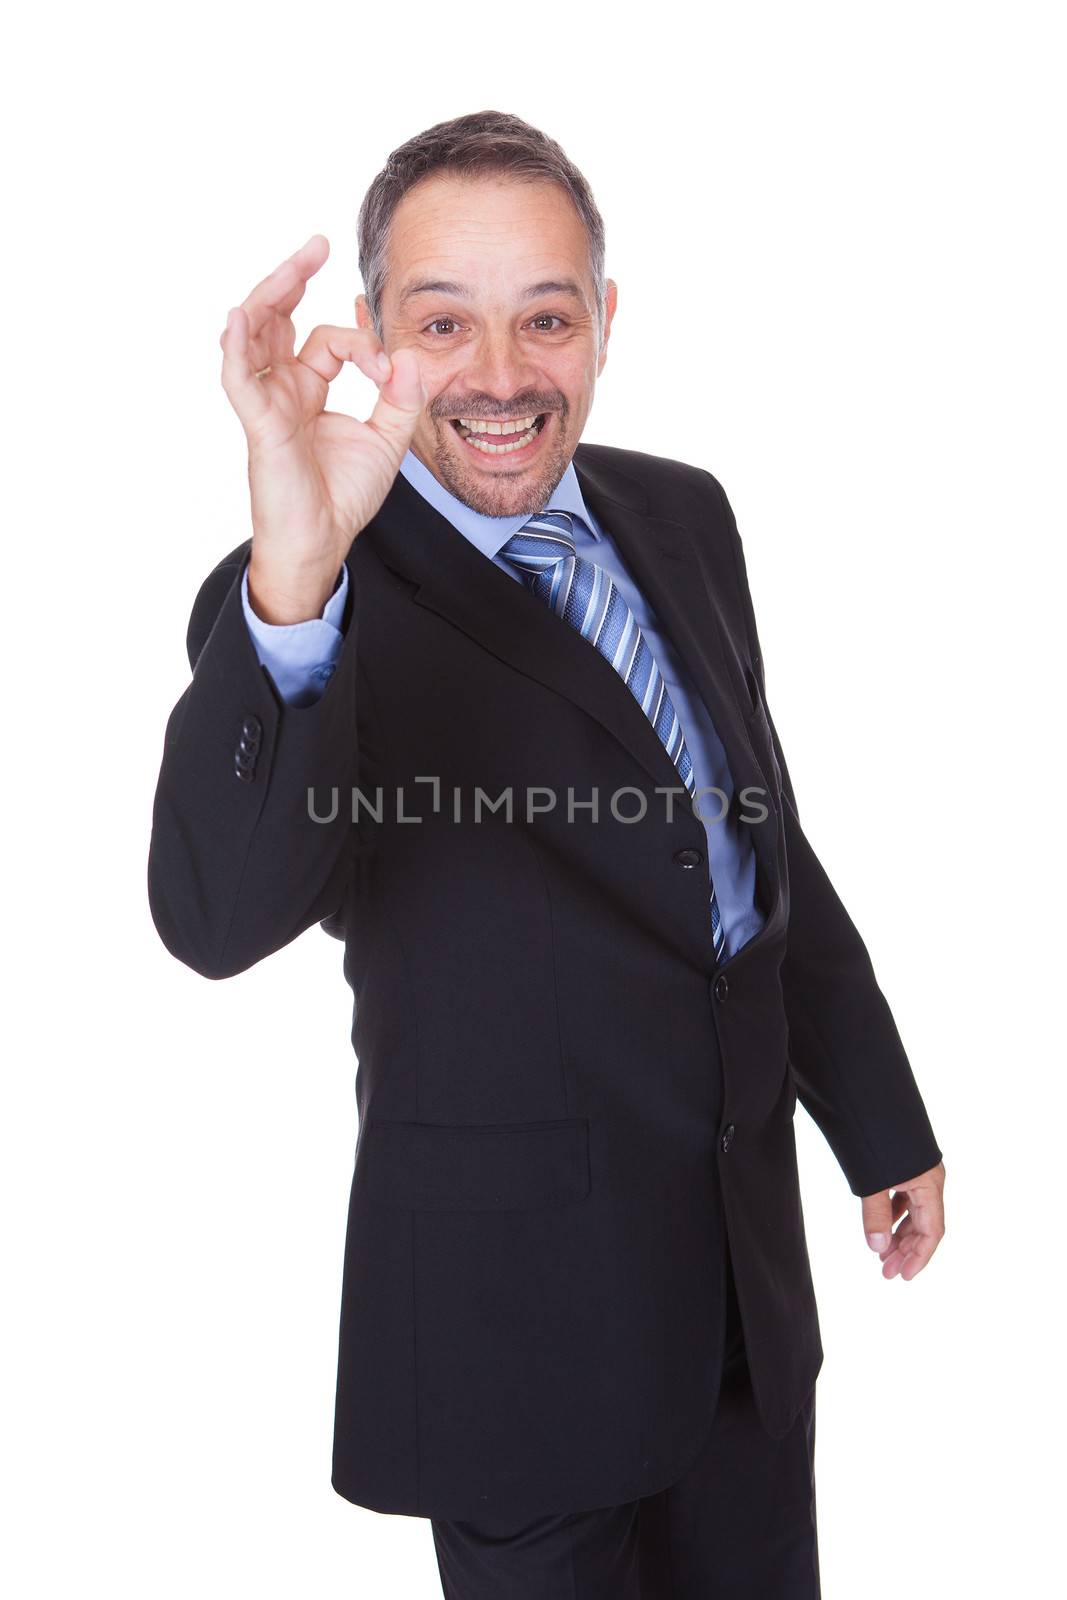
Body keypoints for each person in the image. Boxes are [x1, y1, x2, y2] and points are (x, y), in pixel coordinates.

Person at [147, 108, 946, 1598]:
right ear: (372, 335)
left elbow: (751, 831)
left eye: (546, 319)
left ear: (605, 325)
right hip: (515, 1346)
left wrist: (877, 1114)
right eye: (444, 323)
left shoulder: (681, 515)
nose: (505, 376)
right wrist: (296, 572)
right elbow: (212, 914)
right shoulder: (317, 580)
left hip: (738, 1307)